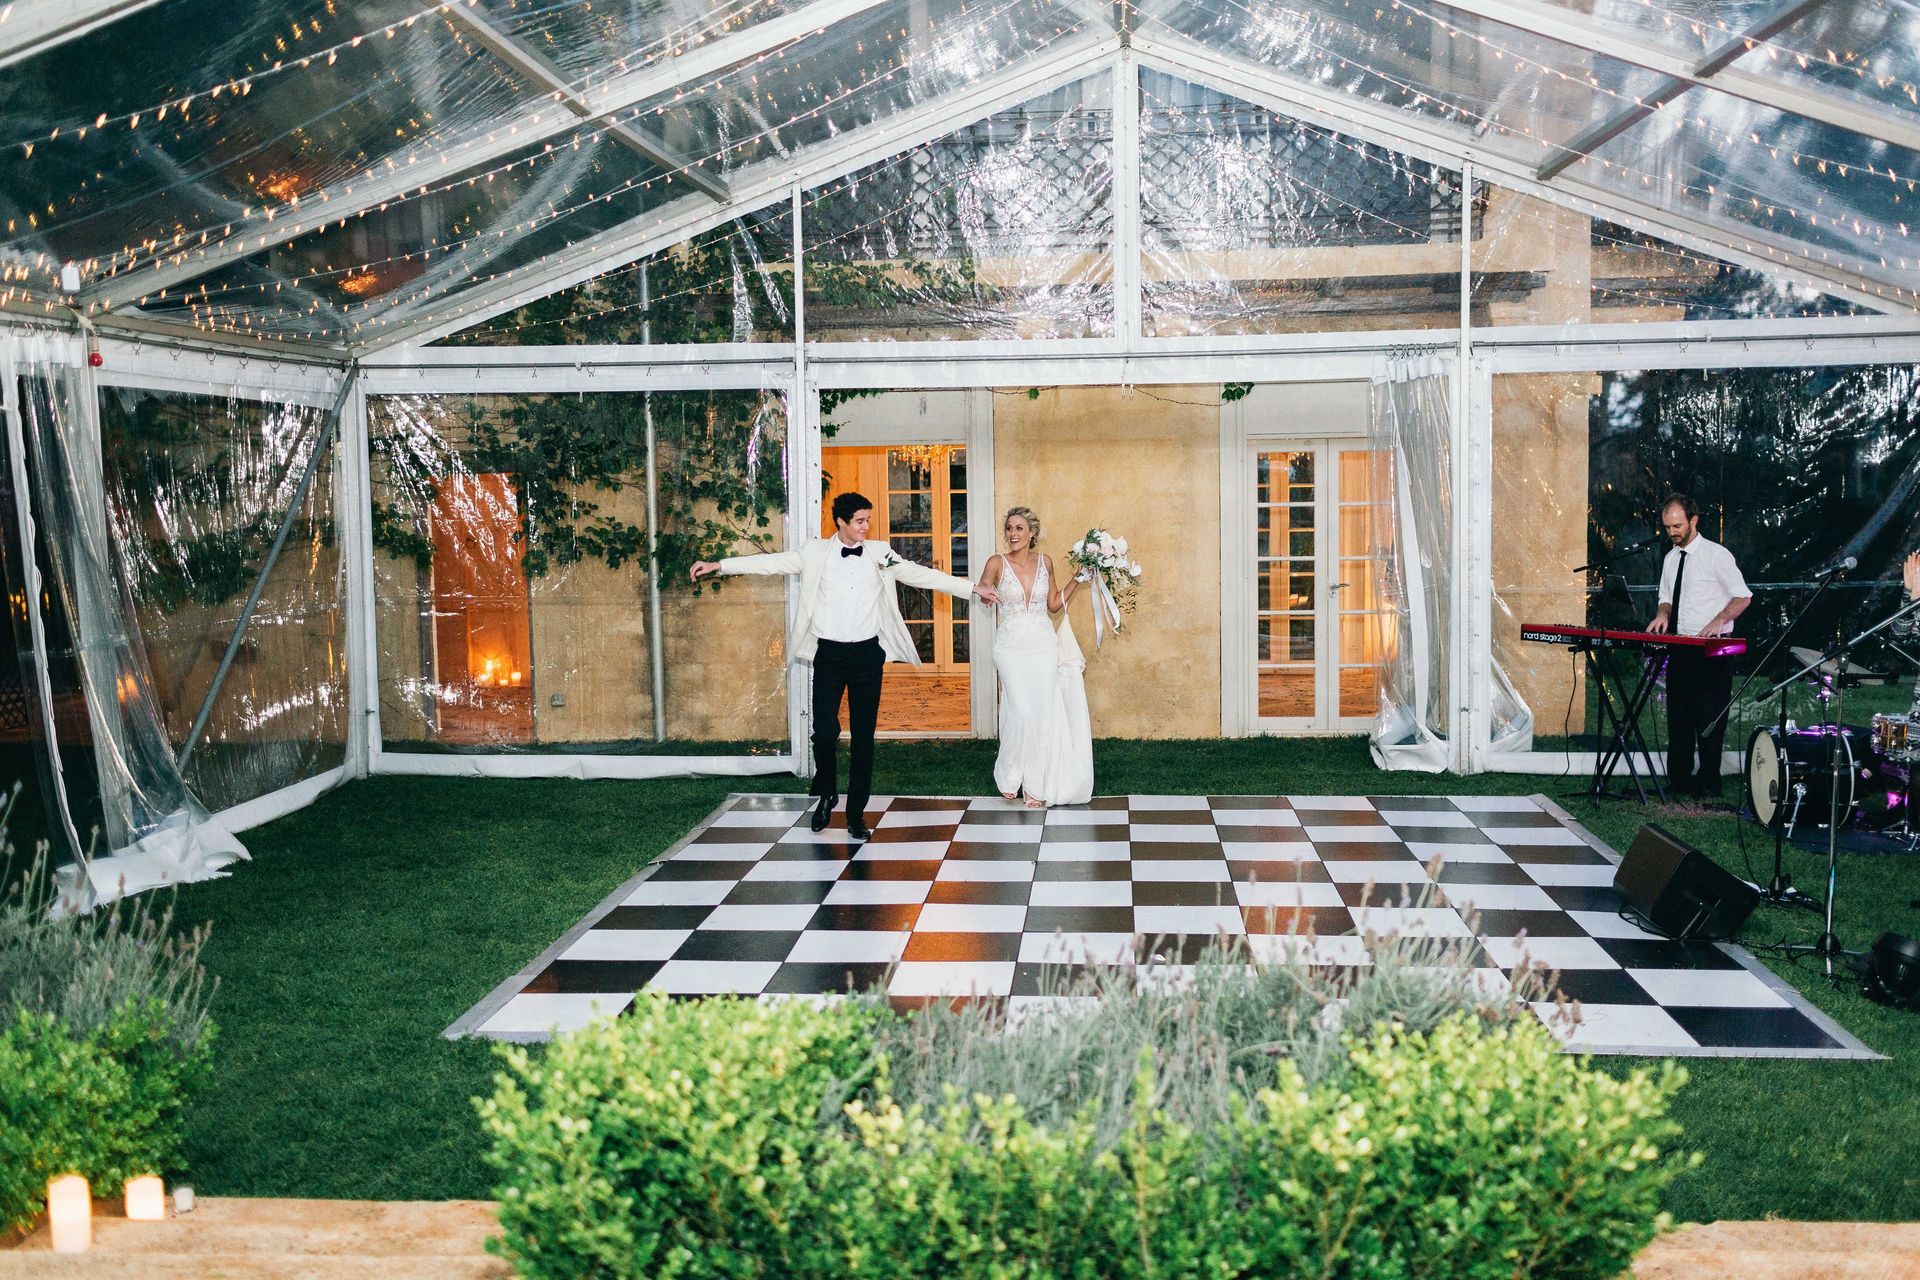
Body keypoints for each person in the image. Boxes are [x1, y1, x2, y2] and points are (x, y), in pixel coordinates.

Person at [690, 492, 998, 840]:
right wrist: (720, 565)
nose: (866, 527)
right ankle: (826, 793)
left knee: (864, 739)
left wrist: (972, 588)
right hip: (829, 655)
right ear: (841, 522)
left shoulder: (880, 553)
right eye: (860, 521)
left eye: (868, 520)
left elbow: (919, 574)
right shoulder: (815, 553)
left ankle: (855, 815)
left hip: (867, 656)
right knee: (823, 732)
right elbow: (771, 562)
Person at [977, 507, 1095, 807]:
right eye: (1008, 528)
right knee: (1020, 710)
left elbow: (1054, 605)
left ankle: (1034, 784)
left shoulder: (1046, 562)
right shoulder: (995, 563)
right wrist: (985, 597)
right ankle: (1009, 772)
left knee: (1041, 714)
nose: (1012, 534)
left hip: (1043, 645)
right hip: (1011, 647)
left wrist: (1077, 579)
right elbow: (982, 592)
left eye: (1019, 528)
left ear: (1032, 533)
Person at [1645, 493, 1751, 799]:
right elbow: (1666, 597)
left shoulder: (1716, 555)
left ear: (1694, 520)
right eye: (1667, 527)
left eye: (1677, 525)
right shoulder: (1669, 559)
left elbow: (1742, 596)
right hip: (1681, 646)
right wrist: (1662, 615)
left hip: (1713, 648)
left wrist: (1719, 620)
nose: (1672, 532)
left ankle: (1709, 782)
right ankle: (1679, 780)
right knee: (1678, 716)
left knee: (1708, 717)